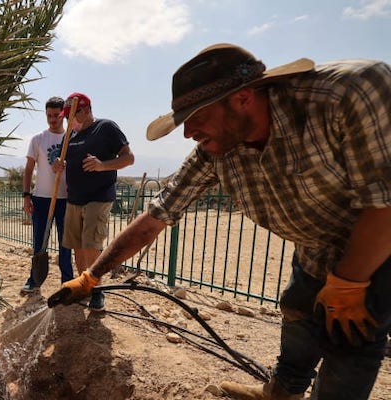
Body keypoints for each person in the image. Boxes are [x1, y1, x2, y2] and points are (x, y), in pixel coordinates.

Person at [49, 43, 391, 399]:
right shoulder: (215, 152)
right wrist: (91, 277)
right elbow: (154, 218)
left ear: (242, 99)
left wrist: (351, 280)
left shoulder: (346, 94)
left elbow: (384, 201)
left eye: (196, 116)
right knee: (298, 309)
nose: (187, 132)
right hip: (314, 245)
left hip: (378, 244)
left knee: (351, 340)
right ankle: (280, 392)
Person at [54, 92, 135, 311]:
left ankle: (97, 291)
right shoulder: (69, 136)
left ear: (87, 109)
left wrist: (101, 165)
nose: (70, 120)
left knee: (91, 245)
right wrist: (58, 166)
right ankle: (84, 287)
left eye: (73, 115)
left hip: (98, 197)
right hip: (74, 198)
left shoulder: (106, 127)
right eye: (67, 116)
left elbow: (129, 158)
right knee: (78, 247)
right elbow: (62, 162)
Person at [21, 96, 73, 293]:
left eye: (56, 116)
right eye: (49, 115)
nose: (52, 120)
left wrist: (67, 164)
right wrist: (27, 195)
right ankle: (34, 279)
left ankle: (67, 282)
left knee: (65, 245)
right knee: (39, 243)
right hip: (41, 199)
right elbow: (28, 169)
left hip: (65, 200)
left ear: (63, 115)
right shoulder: (38, 139)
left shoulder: (71, 139)